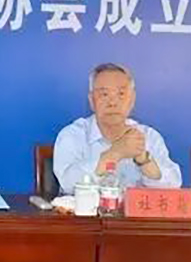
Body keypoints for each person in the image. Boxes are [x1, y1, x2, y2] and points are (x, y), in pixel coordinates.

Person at [54, 62, 181, 194]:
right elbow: (67, 185)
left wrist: (144, 160)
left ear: (132, 100)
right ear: (91, 101)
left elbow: (174, 186)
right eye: (104, 94)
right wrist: (113, 154)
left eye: (121, 94)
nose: (113, 102)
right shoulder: (73, 135)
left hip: (135, 208)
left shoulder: (149, 136)